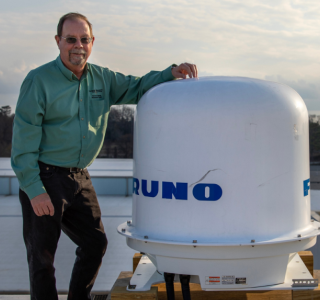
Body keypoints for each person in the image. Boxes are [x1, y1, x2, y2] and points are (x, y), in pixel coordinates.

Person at [11, 12, 198, 300]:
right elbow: (23, 143)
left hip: (79, 177)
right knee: (42, 258)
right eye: (71, 39)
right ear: (58, 41)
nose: (78, 46)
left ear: (92, 41)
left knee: (95, 243)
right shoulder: (39, 81)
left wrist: (170, 73)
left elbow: (136, 86)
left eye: (84, 39)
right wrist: (34, 190)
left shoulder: (101, 78)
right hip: (45, 177)